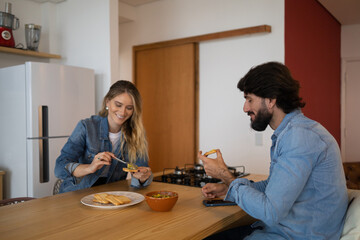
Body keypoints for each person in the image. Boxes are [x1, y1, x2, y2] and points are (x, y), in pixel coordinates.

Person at [198, 62, 348, 240]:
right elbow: (274, 186)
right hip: (285, 230)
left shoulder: (299, 138)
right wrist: (228, 188)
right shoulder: (293, 132)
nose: (245, 108)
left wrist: (224, 174)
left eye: (250, 99)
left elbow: (270, 211)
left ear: (271, 100)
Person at [55, 80, 153, 193]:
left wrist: (142, 177)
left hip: (110, 197)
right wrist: (89, 168)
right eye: (118, 105)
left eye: (129, 108)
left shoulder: (137, 135)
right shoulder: (86, 127)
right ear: (107, 102)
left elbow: (141, 176)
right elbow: (59, 167)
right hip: (77, 195)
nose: (123, 112)